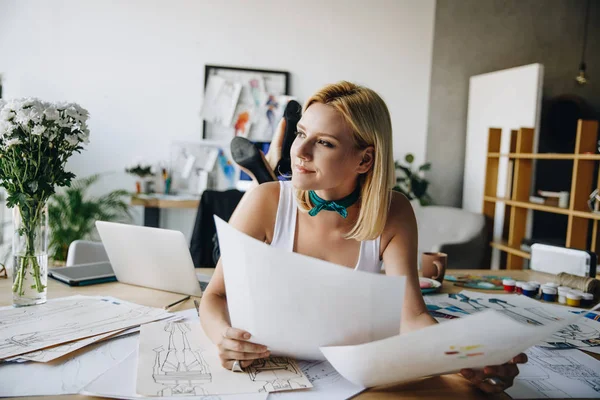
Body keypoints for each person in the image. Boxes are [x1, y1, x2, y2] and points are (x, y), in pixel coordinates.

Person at [199, 81, 527, 393]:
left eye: (324, 142)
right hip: (269, 371)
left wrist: (475, 362)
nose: (301, 151)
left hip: (348, 382)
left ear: (365, 159)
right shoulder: (263, 201)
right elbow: (214, 296)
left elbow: (410, 316)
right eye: (301, 133)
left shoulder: (393, 211)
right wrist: (223, 338)